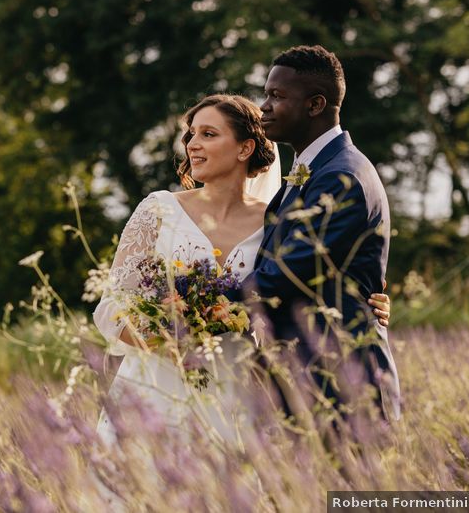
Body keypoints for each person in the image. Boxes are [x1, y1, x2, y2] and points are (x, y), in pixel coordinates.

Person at [92, 93, 392, 446]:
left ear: (245, 148)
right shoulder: (157, 210)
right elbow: (111, 307)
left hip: (234, 396)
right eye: (191, 135)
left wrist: (367, 304)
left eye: (208, 134)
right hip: (150, 392)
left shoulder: (275, 222)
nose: (192, 145)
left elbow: (302, 286)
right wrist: (169, 339)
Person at [250, 45, 400, 422]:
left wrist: (198, 298)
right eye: (266, 94)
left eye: (276, 96)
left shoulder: (340, 177)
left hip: (344, 384)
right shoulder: (314, 169)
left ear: (316, 105)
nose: (263, 106)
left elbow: (289, 274)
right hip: (307, 379)